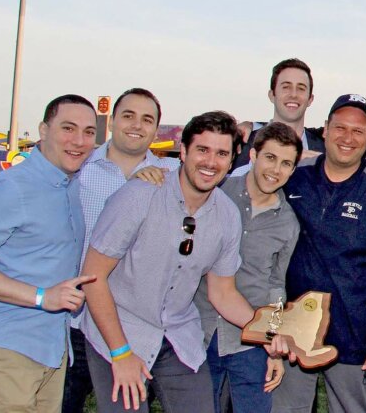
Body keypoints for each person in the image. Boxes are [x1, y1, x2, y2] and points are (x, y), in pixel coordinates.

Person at [81, 111, 285, 413]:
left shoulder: (227, 216)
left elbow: (223, 293)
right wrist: (121, 354)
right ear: (184, 151)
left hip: (178, 335)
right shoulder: (140, 195)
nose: (210, 162)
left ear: (232, 161)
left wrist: (268, 334)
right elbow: (93, 276)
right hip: (119, 329)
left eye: (221, 154)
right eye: (202, 150)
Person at [272, 94, 366, 413]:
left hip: (355, 335)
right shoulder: (292, 176)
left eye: (358, 131)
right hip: (292, 331)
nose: (348, 138)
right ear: (325, 130)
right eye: (340, 127)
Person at [64, 87, 180, 413]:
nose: (136, 125)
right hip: (77, 318)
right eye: (128, 116)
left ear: (156, 130)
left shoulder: (172, 178)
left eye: (147, 119)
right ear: (112, 121)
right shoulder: (81, 170)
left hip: (138, 326)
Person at [0, 95, 98, 413]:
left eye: (89, 132)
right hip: (9, 349)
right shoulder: (14, 187)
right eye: (68, 128)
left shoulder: (71, 185)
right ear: (43, 129)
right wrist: (42, 297)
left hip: (54, 349)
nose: (79, 141)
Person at [193, 121, 302, 413]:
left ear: (293, 170)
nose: (275, 169)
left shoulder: (288, 222)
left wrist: (275, 347)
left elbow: (277, 285)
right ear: (253, 156)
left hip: (252, 339)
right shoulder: (217, 193)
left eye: (286, 163)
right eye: (270, 157)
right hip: (199, 328)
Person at [232, 58, 323, 174]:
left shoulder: (324, 151)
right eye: (286, 87)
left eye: (301, 88)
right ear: (272, 95)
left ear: (310, 99)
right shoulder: (242, 143)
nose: (293, 94)